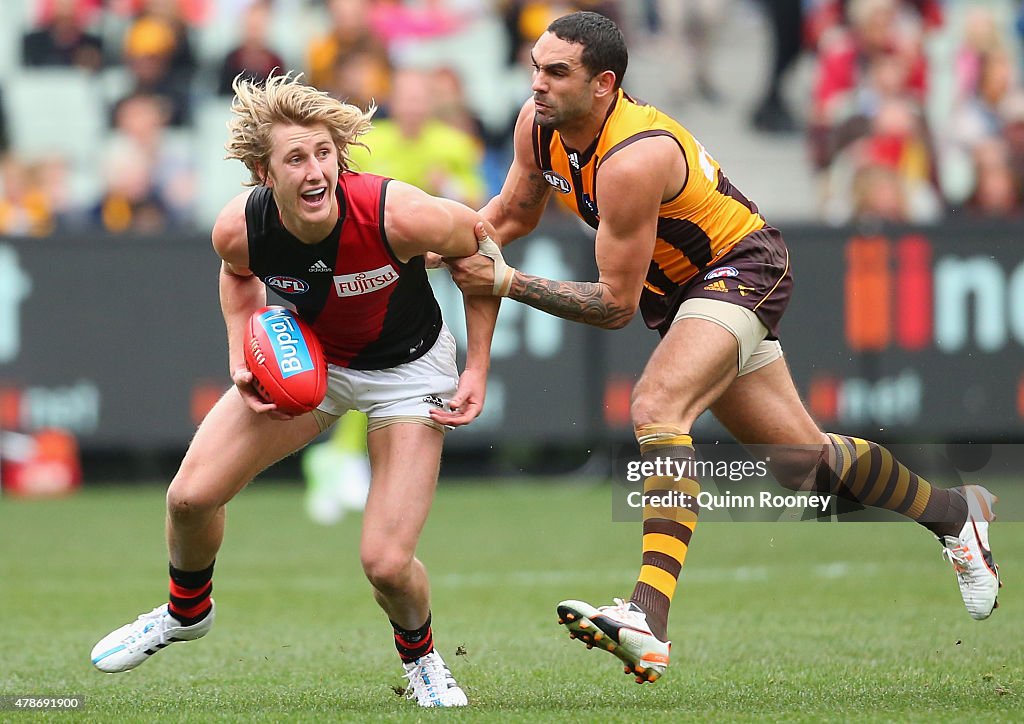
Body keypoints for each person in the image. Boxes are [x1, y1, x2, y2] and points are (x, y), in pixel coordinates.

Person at [446, 11, 1001, 685]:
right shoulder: (539, 127)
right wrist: (424, 242)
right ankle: (953, 514)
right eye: (536, 66)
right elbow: (505, 217)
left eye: (556, 72)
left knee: (657, 405)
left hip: (742, 268)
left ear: (603, 84)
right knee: (803, 466)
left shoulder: (632, 156)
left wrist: (506, 281)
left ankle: (648, 620)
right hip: (687, 295)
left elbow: (615, 305)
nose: (537, 83)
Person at [89, 72, 500, 709]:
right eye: (295, 158)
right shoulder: (239, 228)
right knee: (190, 499)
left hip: (411, 371)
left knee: (387, 565)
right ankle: (185, 611)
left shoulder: (400, 212)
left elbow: (481, 257)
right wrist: (240, 354)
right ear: (263, 172)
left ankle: (421, 659)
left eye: (324, 154)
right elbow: (237, 278)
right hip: (317, 361)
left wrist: (476, 368)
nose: (315, 172)